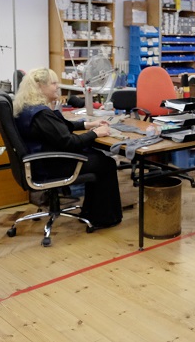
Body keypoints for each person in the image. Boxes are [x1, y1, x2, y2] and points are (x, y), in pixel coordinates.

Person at [13, 68, 123, 229]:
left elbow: (60, 128)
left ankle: (90, 212)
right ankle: (103, 218)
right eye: (53, 83)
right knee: (105, 163)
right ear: (39, 86)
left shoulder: (29, 109)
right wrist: (95, 134)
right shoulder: (41, 114)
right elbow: (69, 142)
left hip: (42, 160)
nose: (57, 86)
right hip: (51, 165)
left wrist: (88, 124)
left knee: (98, 158)